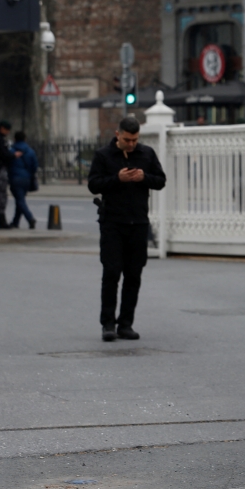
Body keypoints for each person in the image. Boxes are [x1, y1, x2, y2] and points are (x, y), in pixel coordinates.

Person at [87, 116, 165, 342]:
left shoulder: (147, 154)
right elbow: (93, 184)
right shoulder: (103, 156)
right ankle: (108, 324)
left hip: (138, 222)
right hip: (112, 222)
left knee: (134, 274)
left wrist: (144, 177)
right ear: (117, 135)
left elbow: (160, 180)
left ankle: (126, 323)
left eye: (135, 140)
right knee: (111, 273)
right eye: (127, 140)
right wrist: (117, 178)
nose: (131, 144)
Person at [7, 132, 38, 229]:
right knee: (20, 200)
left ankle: (30, 218)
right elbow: (35, 166)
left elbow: (7, 163)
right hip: (27, 179)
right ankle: (15, 222)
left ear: (15, 139)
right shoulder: (30, 151)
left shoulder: (11, 151)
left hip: (15, 178)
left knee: (20, 201)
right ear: (25, 139)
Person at [0, 120, 16, 229]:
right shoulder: (0, 140)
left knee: (1, 196)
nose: (8, 132)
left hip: (0, 170)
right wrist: (13, 156)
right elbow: (4, 155)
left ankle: (1, 219)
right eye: (7, 129)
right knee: (1, 196)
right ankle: (1, 220)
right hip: (0, 170)